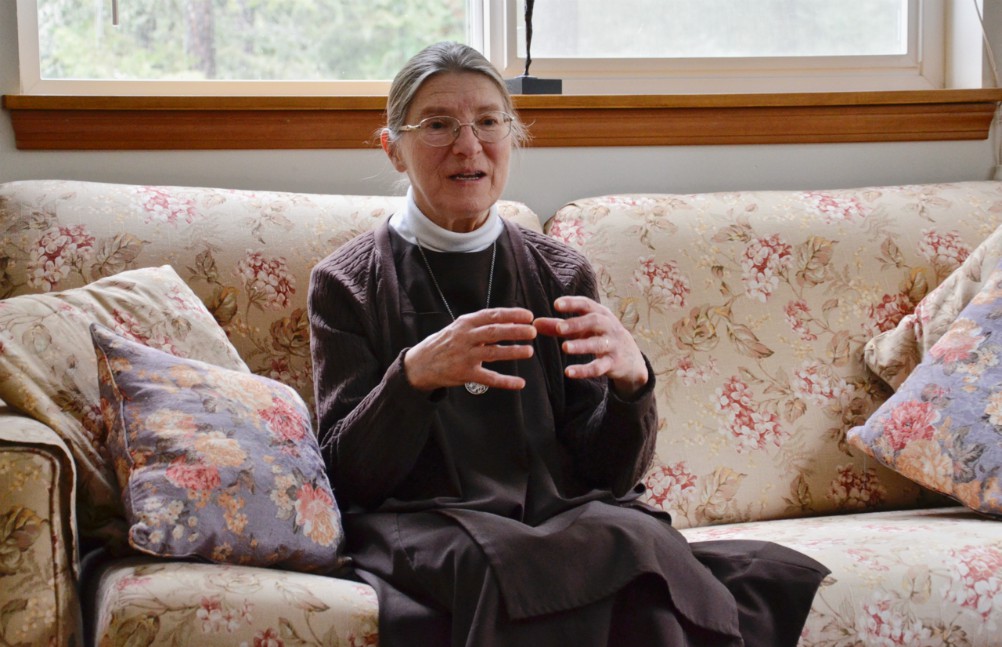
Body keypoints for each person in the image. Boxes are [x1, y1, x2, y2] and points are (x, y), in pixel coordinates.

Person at [308, 41, 829, 647]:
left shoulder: (560, 272)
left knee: (631, 539)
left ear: (513, 137)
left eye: (488, 122)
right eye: (438, 124)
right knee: (504, 564)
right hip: (427, 520)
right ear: (393, 148)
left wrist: (632, 387)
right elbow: (345, 478)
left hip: (558, 510)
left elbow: (606, 475)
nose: (468, 145)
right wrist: (413, 376)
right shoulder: (345, 282)